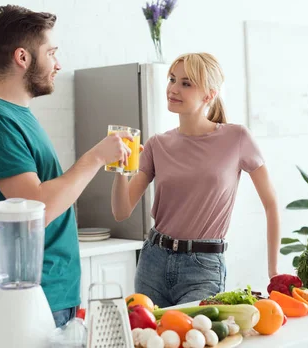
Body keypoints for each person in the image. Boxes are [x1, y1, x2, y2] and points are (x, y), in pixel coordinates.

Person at [0, 5, 131, 327]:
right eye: (51, 52)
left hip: (51, 294)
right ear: (22, 57)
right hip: (26, 299)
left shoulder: (16, 116)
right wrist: (95, 158)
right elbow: (37, 207)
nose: (58, 64)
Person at [111, 52, 280, 308]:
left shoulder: (236, 138)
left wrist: (273, 270)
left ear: (209, 94)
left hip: (203, 267)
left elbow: (271, 204)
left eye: (186, 83)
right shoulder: (158, 144)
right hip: (152, 262)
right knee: (147, 340)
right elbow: (121, 211)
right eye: (172, 79)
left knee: (196, 338)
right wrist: (120, 169)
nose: (173, 89)